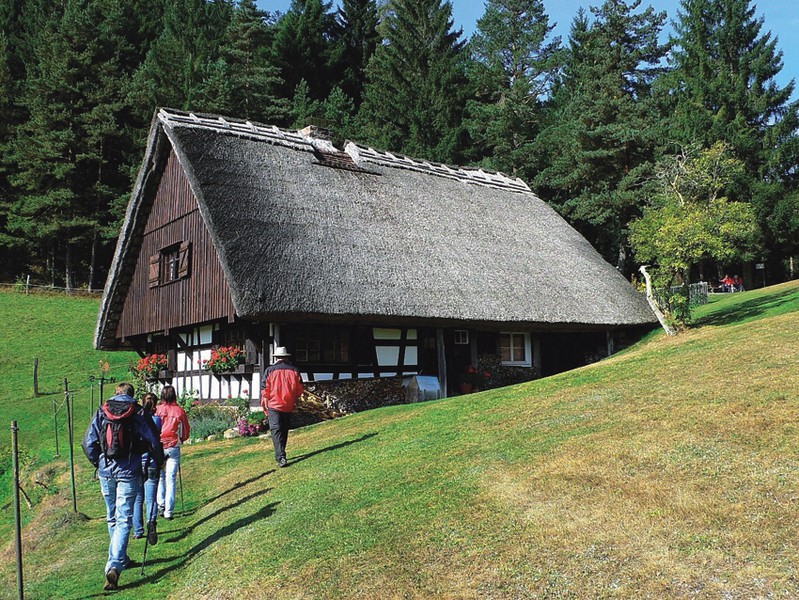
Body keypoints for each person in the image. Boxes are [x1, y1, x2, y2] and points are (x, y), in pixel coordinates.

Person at [82, 382, 164, 591]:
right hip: (129, 470)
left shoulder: (102, 410)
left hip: (105, 470)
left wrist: (98, 462)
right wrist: (158, 462)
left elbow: (88, 443)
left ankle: (120, 559)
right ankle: (115, 565)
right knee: (123, 519)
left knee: (112, 517)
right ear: (132, 394)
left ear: (116, 393)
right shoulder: (137, 412)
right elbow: (153, 440)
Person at [261, 346, 304, 468]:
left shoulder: (269, 371)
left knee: (276, 429)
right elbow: (300, 389)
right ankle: (281, 453)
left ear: (276, 358)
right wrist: (293, 398)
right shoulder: (295, 370)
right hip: (288, 404)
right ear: (286, 357)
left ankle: (281, 457)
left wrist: (266, 401)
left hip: (274, 405)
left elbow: (264, 389)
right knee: (284, 429)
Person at [155, 385, 190, 520]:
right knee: (171, 479)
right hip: (173, 445)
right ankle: (169, 511)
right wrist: (181, 439)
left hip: (159, 446)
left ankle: (161, 504)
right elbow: (185, 431)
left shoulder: (157, 410)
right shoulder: (179, 411)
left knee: (160, 477)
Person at [133, 392, 161, 543]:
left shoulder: (135, 421)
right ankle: (151, 521)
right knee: (151, 498)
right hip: (152, 462)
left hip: (137, 463)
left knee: (138, 498)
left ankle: (138, 530)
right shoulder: (156, 420)